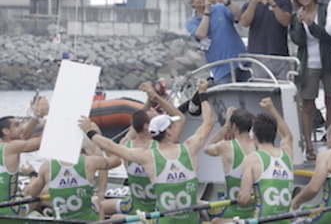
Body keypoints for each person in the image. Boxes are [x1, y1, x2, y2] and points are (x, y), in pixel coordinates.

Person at [80, 78, 215, 224]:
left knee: (112, 218)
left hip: (152, 217)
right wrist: (202, 94)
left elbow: (111, 146)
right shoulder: (189, 148)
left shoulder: (145, 156)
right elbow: (208, 123)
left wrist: (90, 132)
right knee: (203, 206)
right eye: (171, 126)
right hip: (187, 220)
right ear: (169, 131)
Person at [103, 81, 186, 217]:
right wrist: (155, 97)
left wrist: (150, 99)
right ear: (148, 126)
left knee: (99, 205)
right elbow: (180, 119)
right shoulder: (163, 145)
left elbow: (137, 123)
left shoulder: (126, 144)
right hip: (156, 211)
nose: (157, 115)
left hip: (135, 206)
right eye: (155, 118)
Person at [290, 0, 331, 160]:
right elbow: (297, 40)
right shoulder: (296, 17)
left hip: (328, 61)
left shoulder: (325, 10)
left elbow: (328, 36)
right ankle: (308, 146)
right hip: (308, 64)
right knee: (307, 105)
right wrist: (302, 25)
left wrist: (311, 25)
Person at [24, 137, 121, 220]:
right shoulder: (89, 162)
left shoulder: (47, 166)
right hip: (88, 220)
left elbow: (32, 193)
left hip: (62, 219)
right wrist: (102, 141)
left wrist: (32, 174)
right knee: (96, 200)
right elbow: (117, 161)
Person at [235, 98, 295, 224]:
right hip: (284, 221)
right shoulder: (287, 155)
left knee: (218, 221)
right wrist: (271, 108)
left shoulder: (252, 159)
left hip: (261, 221)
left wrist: (257, 197)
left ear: (254, 135)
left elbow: (243, 199)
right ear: (274, 134)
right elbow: (287, 135)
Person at [240, 0, 294, 80]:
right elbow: (244, 22)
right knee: (261, 95)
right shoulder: (249, 4)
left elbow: (285, 21)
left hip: (280, 57)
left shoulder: (283, 1)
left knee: (282, 94)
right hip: (258, 57)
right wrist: (254, 2)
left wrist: (272, 3)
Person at [185, 0, 247, 85]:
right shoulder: (192, 23)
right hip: (221, 70)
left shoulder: (221, 9)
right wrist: (207, 11)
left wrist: (224, 0)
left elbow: (241, 16)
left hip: (242, 63)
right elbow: (201, 34)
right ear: (192, 4)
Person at [204, 107, 256, 223]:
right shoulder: (258, 146)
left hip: (233, 210)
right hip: (255, 210)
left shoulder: (225, 146)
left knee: (213, 219)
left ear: (234, 127)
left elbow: (207, 148)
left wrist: (225, 126)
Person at [0, 96, 49, 216]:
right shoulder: (11, 147)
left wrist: (36, 117)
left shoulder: (8, 147)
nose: (22, 127)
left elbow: (24, 137)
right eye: (17, 125)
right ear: (6, 131)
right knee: (39, 196)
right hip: (8, 210)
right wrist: (50, 117)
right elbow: (40, 143)